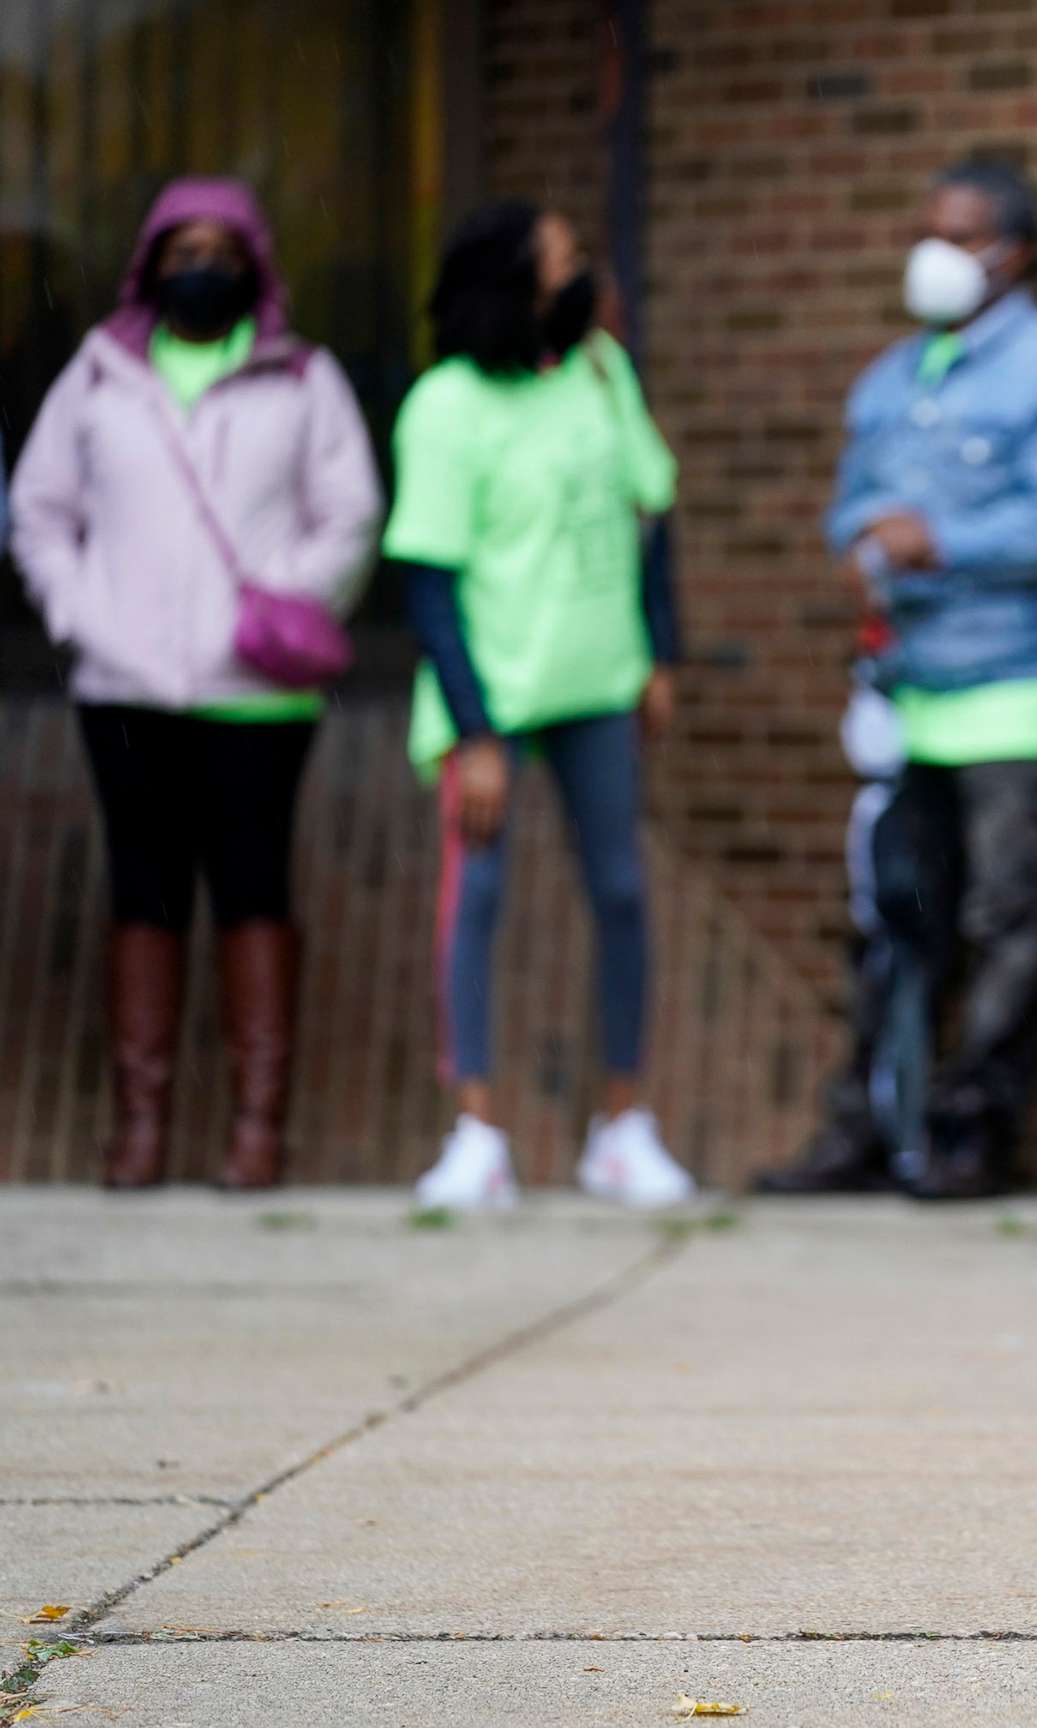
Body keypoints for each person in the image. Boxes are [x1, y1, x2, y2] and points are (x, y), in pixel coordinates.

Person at [9, 177, 382, 1192]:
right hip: (124, 687)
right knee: (145, 889)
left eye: (221, 249)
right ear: (150, 263)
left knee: (253, 888)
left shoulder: (302, 378)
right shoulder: (97, 375)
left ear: (254, 265)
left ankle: (259, 1129)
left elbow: (349, 512)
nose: (200, 268)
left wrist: (279, 601)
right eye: (182, 250)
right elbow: (38, 509)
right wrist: (83, 613)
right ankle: (142, 1127)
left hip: (257, 691)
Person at [823, 161, 1037, 1201]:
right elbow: (850, 508)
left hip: (1015, 692)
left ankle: (970, 1131)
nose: (936, 254)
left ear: (1015, 252)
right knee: (895, 918)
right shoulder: (895, 373)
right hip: (906, 694)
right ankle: (867, 1124)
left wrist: (935, 542)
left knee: (1010, 924)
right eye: (929, 231)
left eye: (961, 235)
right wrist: (870, 543)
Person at [392, 200, 694, 1212]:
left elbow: (652, 513)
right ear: (509, 283)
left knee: (620, 893)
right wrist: (475, 732)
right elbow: (428, 581)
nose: (581, 280)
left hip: (599, 680)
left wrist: (660, 650)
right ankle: (475, 1133)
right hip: (496, 692)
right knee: (474, 899)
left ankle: (622, 1126)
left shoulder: (604, 373)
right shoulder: (447, 404)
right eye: (562, 264)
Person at [750, 616, 913, 1196]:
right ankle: (873, 1130)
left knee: (922, 953)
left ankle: (915, 1137)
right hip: (890, 790)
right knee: (883, 955)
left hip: (950, 770)